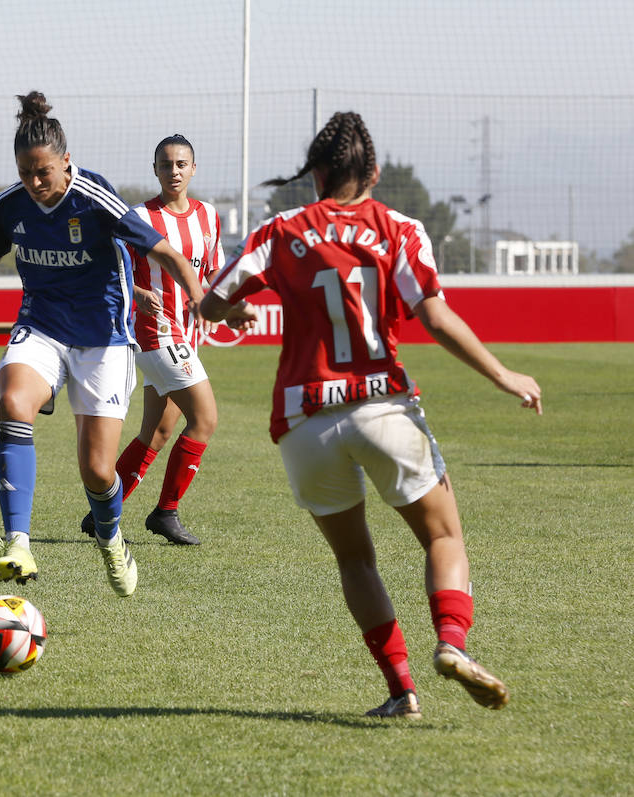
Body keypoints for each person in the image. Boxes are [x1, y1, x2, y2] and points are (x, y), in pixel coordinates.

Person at [200, 111, 540, 719]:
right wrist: (504, 374)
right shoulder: (400, 228)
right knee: (442, 534)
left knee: (355, 559)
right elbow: (434, 317)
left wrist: (235, 316)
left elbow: (213, 299)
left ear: (316, 175)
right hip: (382, 406)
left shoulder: (281, 230)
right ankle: (452, 643)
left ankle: (401, 689)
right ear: (374, 173)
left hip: (304, 420)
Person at [0, 92, 208, 597]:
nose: (35, 183)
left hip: (103, 340)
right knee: (11, 401)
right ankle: (18, 542)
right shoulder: (9, 206)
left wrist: (198, 295)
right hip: (41, 326)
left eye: (43, 171)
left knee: (96, 470)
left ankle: (111, 538)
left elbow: (164, 250)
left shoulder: (97, 198)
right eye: (25, 173)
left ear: (67, 161)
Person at [80, 133, 223, 546]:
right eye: (166, 164)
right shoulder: (138, 216)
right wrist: (139, 294)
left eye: (181, 164)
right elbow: (110, 266)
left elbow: (209, 272)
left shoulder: (209, 217)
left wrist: (218, 307)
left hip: (185, 334)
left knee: (158, 431)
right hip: (155, 332)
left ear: (193, 168)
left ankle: (102, 511)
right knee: (205, 419)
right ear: (155, 169)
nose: (174, 171)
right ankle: (166, 512)